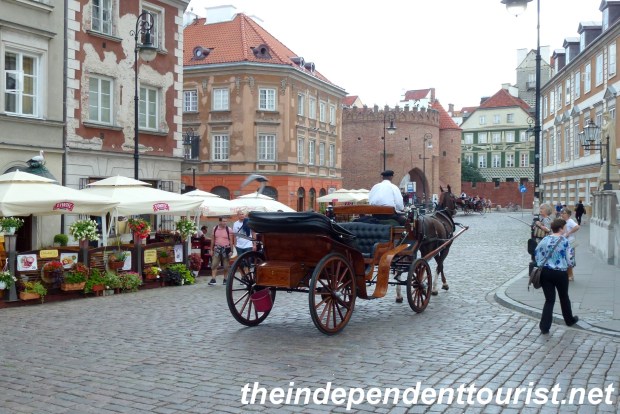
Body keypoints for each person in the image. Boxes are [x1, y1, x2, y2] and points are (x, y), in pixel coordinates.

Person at [534, 218, 579, 334]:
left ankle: (544, 326)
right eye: (564, 227)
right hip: (560, 273)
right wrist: (570, 265)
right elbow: (570, 259)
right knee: (564, 297)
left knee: (549, 300)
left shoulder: (545, 239)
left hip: (545, 272)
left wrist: (542, 263)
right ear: (560, 228)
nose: (565, 229)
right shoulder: (564, 241)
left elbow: (536, 252)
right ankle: (569, 320)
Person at [209, 217, 234, 286]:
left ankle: (225, 279)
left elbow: (231, 241)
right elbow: (213, 240)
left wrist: (231, 250)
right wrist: (211, 249)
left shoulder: (229, 229)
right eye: (223, 221)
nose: (225, 223)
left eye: (226, 221)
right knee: (214, 264)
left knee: (226, 266)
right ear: (219, 221)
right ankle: (213, 279)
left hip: (226, 249)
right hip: (217, 249)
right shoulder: (215, 229)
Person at [560, 208, 580, 281]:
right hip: (563, 243)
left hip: (570, 242)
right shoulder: (562, 221)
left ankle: (570, 275)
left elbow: (577, 227)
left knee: (569, 259)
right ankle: (566, 274)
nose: (562, 214)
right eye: (561, 213)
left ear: (568, 215)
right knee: (564, 259)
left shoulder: (570, 221)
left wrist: (568, 233)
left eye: (564, 213)